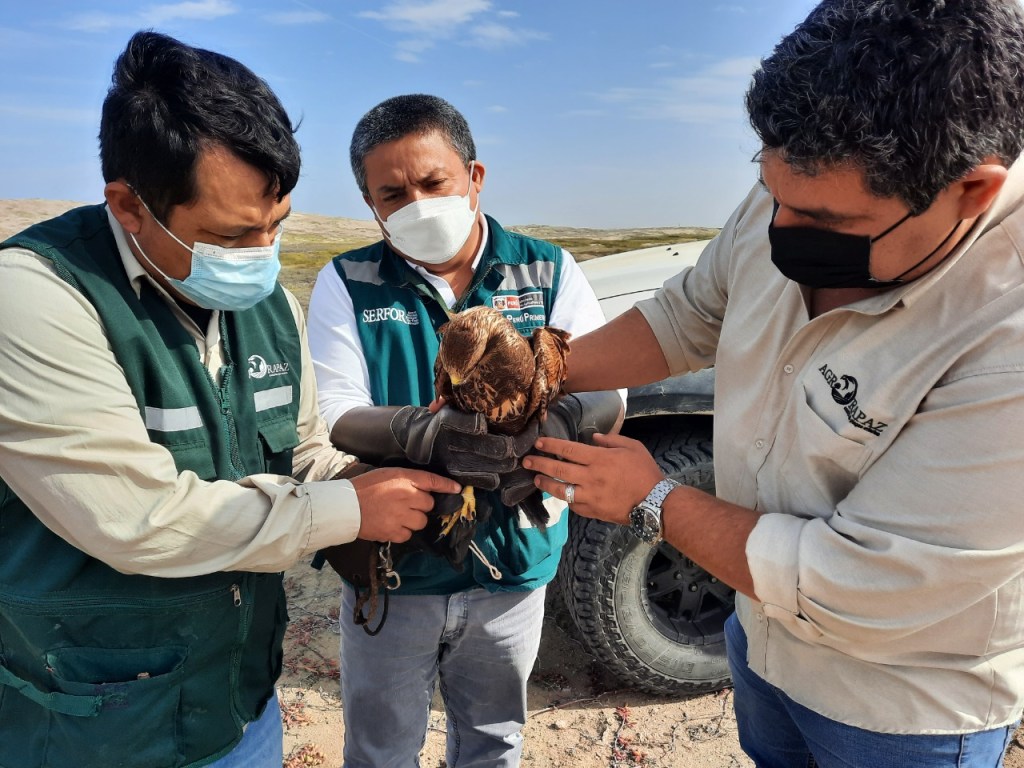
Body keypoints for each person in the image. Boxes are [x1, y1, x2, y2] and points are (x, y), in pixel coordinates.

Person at [522, 1, 1024, 766]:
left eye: (822, 218)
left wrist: (652, 499)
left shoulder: (1005, 330)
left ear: (971, 191)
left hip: (900, 707)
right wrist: (542, 370)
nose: (778, 227)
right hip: (758, 635)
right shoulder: (814, 173)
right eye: (769, 190)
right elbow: (689, 314)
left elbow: (864, 583)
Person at [0, 32, 508, 768]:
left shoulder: (269, 305)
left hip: (238, 707)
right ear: (129, 206)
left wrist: (413, 459)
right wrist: (348, 511)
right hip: (90, 725)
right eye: (231, 234)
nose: (260, 256)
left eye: (276, 226)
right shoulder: (37, 297)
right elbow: (136, 520)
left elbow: (301, 450)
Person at [306, 93, 623, 767]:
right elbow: (334, 413)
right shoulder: (348, 282)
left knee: (493, 742)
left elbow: (608, 391)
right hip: (396, 573)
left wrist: (543, 431)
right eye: (391, 193)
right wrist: (427, 437)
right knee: (382, 748)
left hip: (514, 560)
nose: (415, 203)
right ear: (370, 203)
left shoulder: (548, 270)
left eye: (432, 182)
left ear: (474, 178)